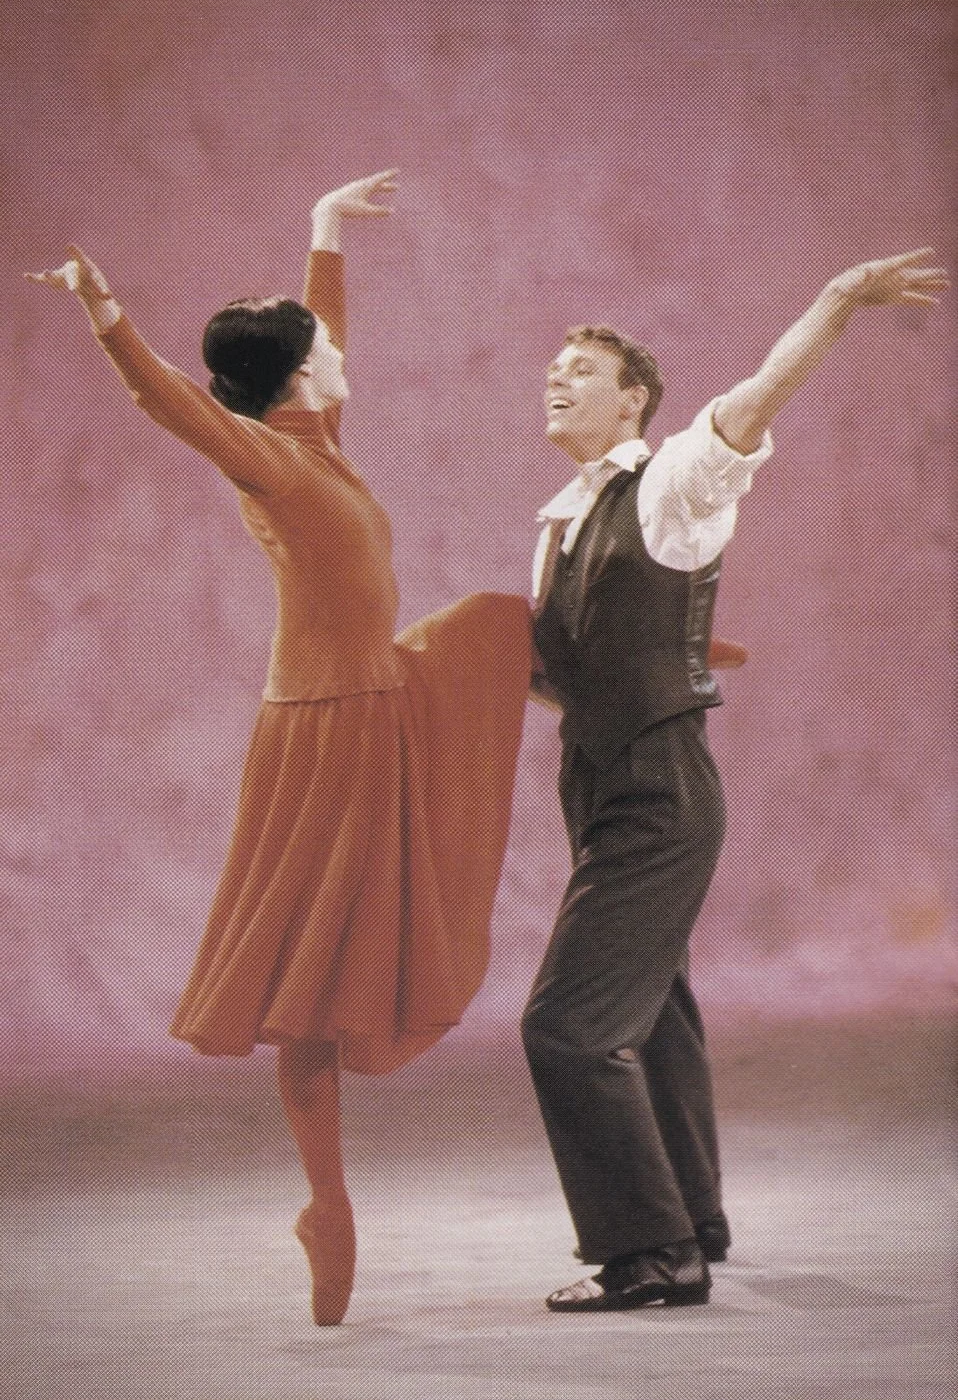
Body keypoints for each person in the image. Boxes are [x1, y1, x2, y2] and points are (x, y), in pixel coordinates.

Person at [27, 170, 533, 1326]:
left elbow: (322, 334)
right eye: (324, 349)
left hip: (379, 697)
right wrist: (107, 314)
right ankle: (328, 1204)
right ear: (300, 373)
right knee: (309, 980)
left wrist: (323, 227)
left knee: (495, 623)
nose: (343, 353)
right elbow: (169, 401)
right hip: (322, 728)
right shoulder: (266, 453)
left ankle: (651, 653)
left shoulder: (320, 438)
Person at [521, 247, 948, 1312]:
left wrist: (837, 300)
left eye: (582, 368)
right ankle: (696, 1216)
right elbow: (573, 669)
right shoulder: (559, 519)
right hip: (598, 781)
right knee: (652, 1002)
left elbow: (757, 396)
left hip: (659, 789)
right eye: (554, 367)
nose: (557, 378)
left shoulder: (674, 482)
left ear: (634, 399)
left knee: (567, 1025)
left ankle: (652, 1253)